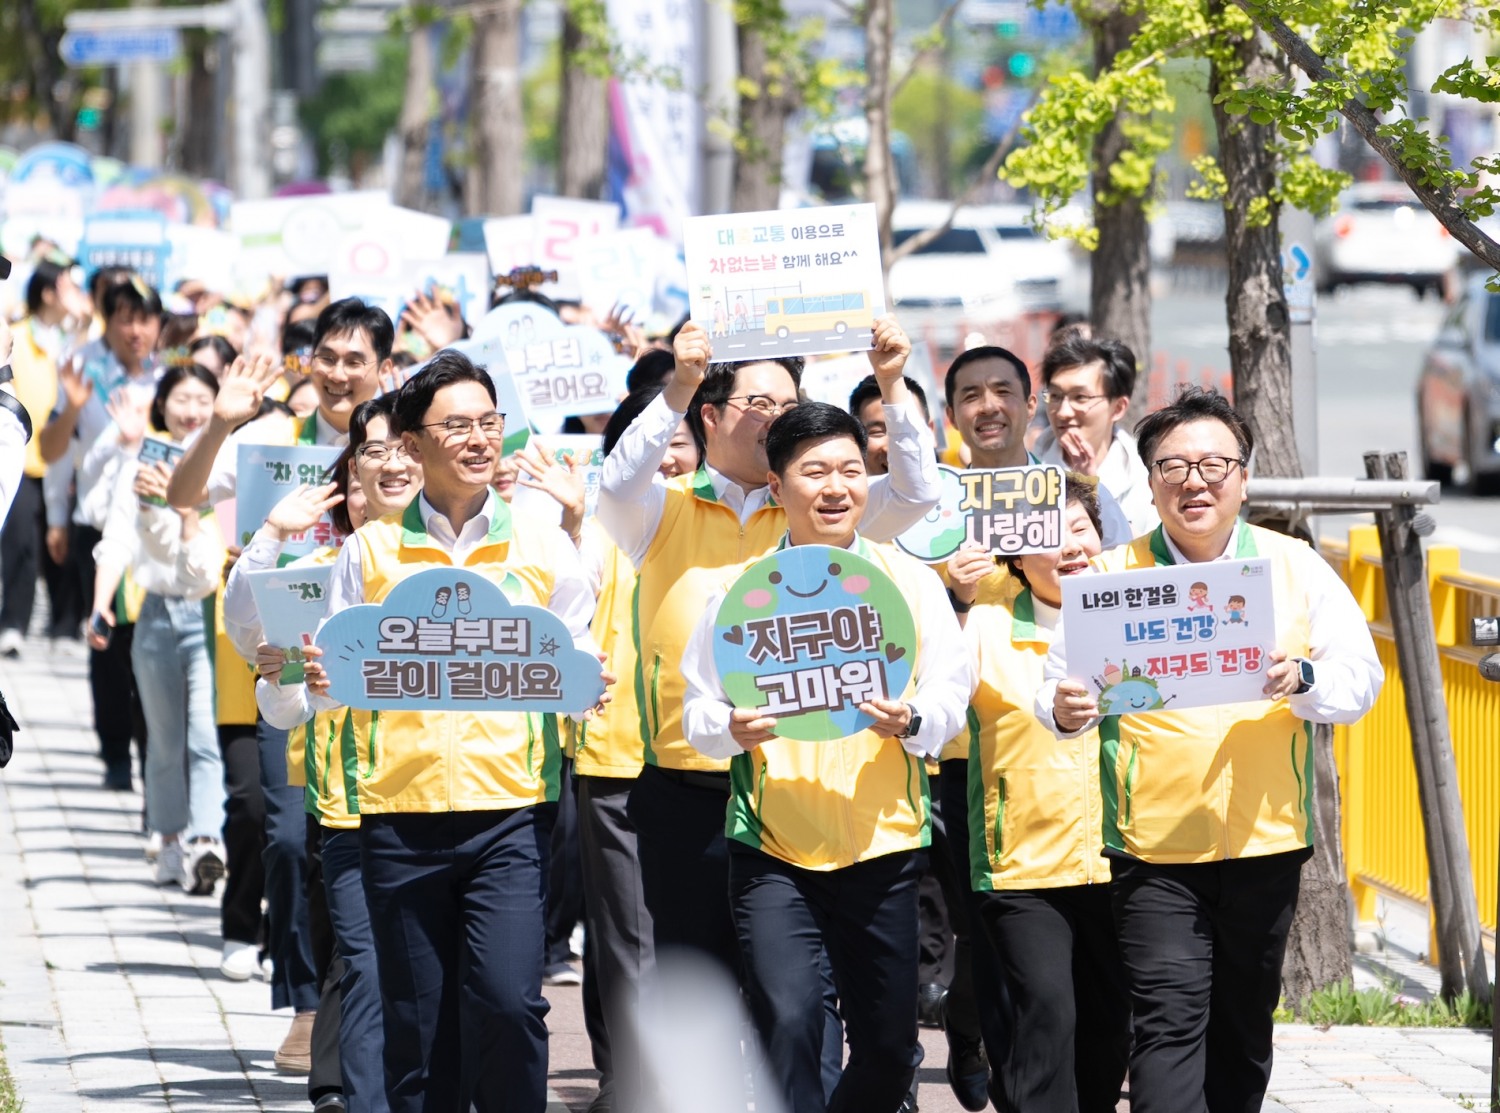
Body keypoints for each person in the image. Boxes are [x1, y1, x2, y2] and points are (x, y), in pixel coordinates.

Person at [1041, 387, 1383, 1113]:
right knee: (1166, 1031)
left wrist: (1304, 677)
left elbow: (1360, 681)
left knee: (1241, 1033)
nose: (1194, 481)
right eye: (1173, 466)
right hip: (1154, 850)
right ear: (1150, 479)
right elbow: (1056, 689)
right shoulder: (1108, 579)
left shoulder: (1295, 568)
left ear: (1244, 477)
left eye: (1214, 464)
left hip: (1265, 844)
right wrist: (1063, 708)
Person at [597, 317, 939, 983]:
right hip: (690, 786)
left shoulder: (820, 505)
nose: (777, 417)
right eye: (759, 404)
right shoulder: (662, 511)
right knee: (704, 987)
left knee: (799, 995)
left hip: (800, 784)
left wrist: (893, 382)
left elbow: (917, 493)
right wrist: (675, 387)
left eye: (789, 403)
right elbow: (613, 487)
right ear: (709, 414)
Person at [306, 351, 604, 1113]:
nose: (479, 439)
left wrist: (584, 682)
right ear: (411, 444)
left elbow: (573, 657)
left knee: (509, 1003)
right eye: (458, 425)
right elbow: (339, 671)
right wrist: (320, 679)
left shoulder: (541, 544)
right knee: (419, 1023)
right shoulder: (369, 550)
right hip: (398, 818)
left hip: (508, 812)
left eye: (489, 423)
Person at [680, 402, 973, 1113]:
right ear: (778, 488)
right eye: (813, 471)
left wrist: (912, 719)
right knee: (788, 1020)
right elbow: (697, 713)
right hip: (774, 847)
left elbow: (949, 699)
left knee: (891, 1047)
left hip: (884, 843)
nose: (835, 486)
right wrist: (731, 728)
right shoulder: (738, 595)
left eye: (849, 468)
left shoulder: (910, 582)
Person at [167, 296, 395, 1074]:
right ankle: (303, 1003)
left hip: (384, 666)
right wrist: (222, 423)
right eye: (326, 355)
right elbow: (181, 495)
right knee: (290, 833)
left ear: (383, 368)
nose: (337, 372)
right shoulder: (271, 439)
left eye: (354, 358)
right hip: (287, 657)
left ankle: (355, 1008)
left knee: (366, 843)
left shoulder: (407, 437)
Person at [963, 479, 1131, 1113]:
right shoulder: (984, 625)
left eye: (1080, 528)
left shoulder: (1141, 618)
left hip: (1122, 860)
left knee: (1110, 1030)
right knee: (1047, 1013)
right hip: (1023, 868)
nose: (1067, 547)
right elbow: (936, 702)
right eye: (1045, 536)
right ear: (1015, 555)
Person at [87, 364, 226, 893]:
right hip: (153, 614)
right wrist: (100, 606)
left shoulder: (225, 464)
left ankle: (207, 839)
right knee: (164, 739)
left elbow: (209, 558)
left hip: (208, 612)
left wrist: (182, 503)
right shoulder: (142, 464)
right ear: (162, 406)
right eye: (181, 399)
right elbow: (117, 538)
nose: (191, 410)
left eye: (202, 400)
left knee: (203, 734)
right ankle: (169, 841)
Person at [41, 274, 161, 788]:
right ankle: (115, 752)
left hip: (154, 531)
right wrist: (56, 519)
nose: (135, 329)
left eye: (145, 318)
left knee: (150, 648)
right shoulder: (81, 369)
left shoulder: (173, 380)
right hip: (96, 528)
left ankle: (151, 750)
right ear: (107, 320)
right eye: (124, 318)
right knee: (106, 642)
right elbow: (50, 452)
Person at [1, 256, 90, 656]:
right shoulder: (14, 333)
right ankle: (13, 623)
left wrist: (84, 325)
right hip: (22, 454)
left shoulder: (78, 339)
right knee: (20, 541)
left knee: (65, 541)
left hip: (63, 457)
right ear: (49, 292)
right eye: (69, 287)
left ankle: (65, 625)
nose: (77, 296)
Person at [1032, 334, 1157, 535]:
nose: (1063, 412)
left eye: (1080, 397)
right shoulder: (1026, 471)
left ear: (1118, 407)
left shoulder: (1147, 475)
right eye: (1055, 396)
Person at [848, 373, 934, 476]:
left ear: (931, 432)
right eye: (877, 432)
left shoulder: (956, 486)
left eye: (907, 429)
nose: (895, 448)